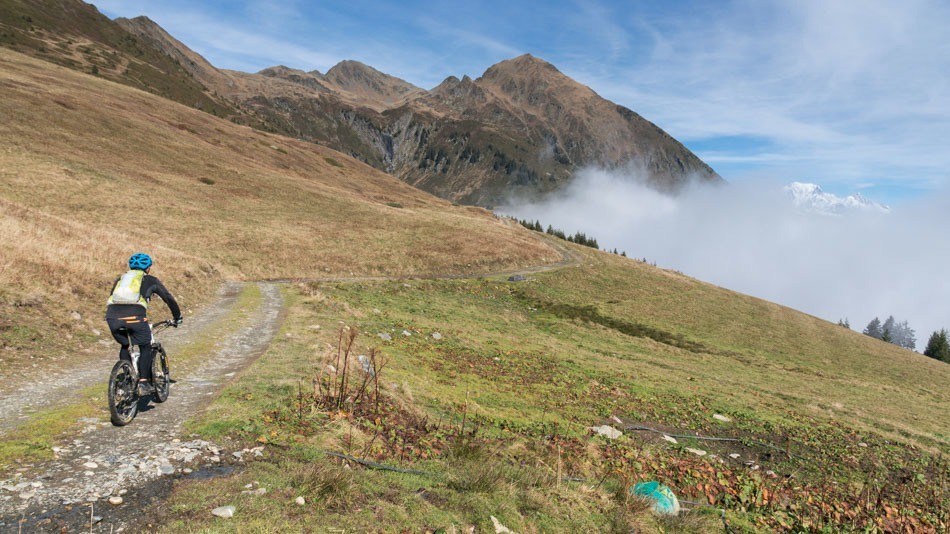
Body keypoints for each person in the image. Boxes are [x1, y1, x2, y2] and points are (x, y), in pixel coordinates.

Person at [105, 253, 182, 395]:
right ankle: (143, 382)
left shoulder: (121, 279)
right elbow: (168, 298)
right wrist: (177, 317)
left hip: (112, 318)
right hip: (135, 317)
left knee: (126, 345)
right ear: (148, 268)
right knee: (145, 346)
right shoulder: (150, 280)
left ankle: (127, 379)